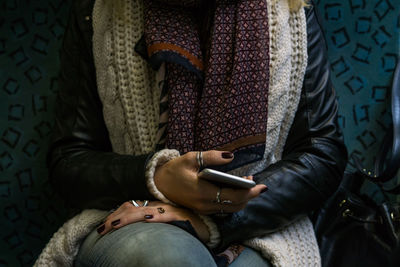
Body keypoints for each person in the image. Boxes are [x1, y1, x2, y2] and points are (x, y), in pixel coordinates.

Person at [34, 0, 347, 266]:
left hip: (258, 228)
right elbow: (68, 160)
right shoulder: (100, 10)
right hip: (132, 214)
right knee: (169, 258)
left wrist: (215, 217)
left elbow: (321, 153)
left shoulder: (292, 11)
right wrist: (154, 178)